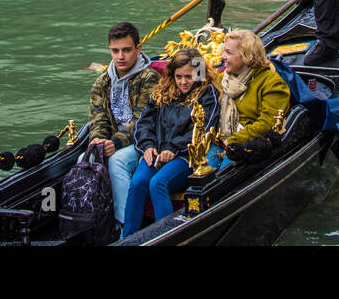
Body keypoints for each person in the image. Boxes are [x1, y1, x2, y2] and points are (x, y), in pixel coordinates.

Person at [120, 48, 218, 238]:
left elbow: (203, 127)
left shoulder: (208, 93)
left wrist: (173, 148)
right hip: (157, 152)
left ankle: (167, 237)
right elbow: (144, 124)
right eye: (178, 76)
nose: (183, 82)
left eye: (188, 77)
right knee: (138, 182)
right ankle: (127, 238)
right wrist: (148, 146)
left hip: (187, 155)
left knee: (158, 183)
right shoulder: (161, 92)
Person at [88, 21, 156, 228]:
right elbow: (97, 118)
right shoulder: (102, 81)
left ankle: (126, 226)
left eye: (126, 50)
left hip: (143, 141)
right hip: (113, 140)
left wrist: (114, 143)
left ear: (138, 48)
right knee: (86, 159)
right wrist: (99, 140)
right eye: (115, 51)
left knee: (117, 161)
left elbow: (143, 120)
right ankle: (92, 224)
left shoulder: (149, 78)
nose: (120, 57)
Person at [216, 30, 290, 154]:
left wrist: (234, 139)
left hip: (245, 146)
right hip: (217, 138)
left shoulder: (273, 84)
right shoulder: (221, 79)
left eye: (228, 52)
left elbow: (267, 124)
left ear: (247, 56)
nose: (222, 56)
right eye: (224, 51)